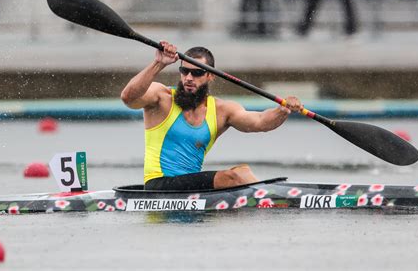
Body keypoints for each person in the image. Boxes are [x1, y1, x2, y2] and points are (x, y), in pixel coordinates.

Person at [121, 41, 303, 191]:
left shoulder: (221, 110)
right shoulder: (162, 97)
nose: (189, 78)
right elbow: (128, 97)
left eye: (197, 72)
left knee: (242, 172)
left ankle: (268, 198)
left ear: (210, 76)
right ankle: (271, 200)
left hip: (191, 189)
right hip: (158, 186)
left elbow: (260, 122)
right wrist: (159, 63)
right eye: (185, 71)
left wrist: (283, 110)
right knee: (234, 177)